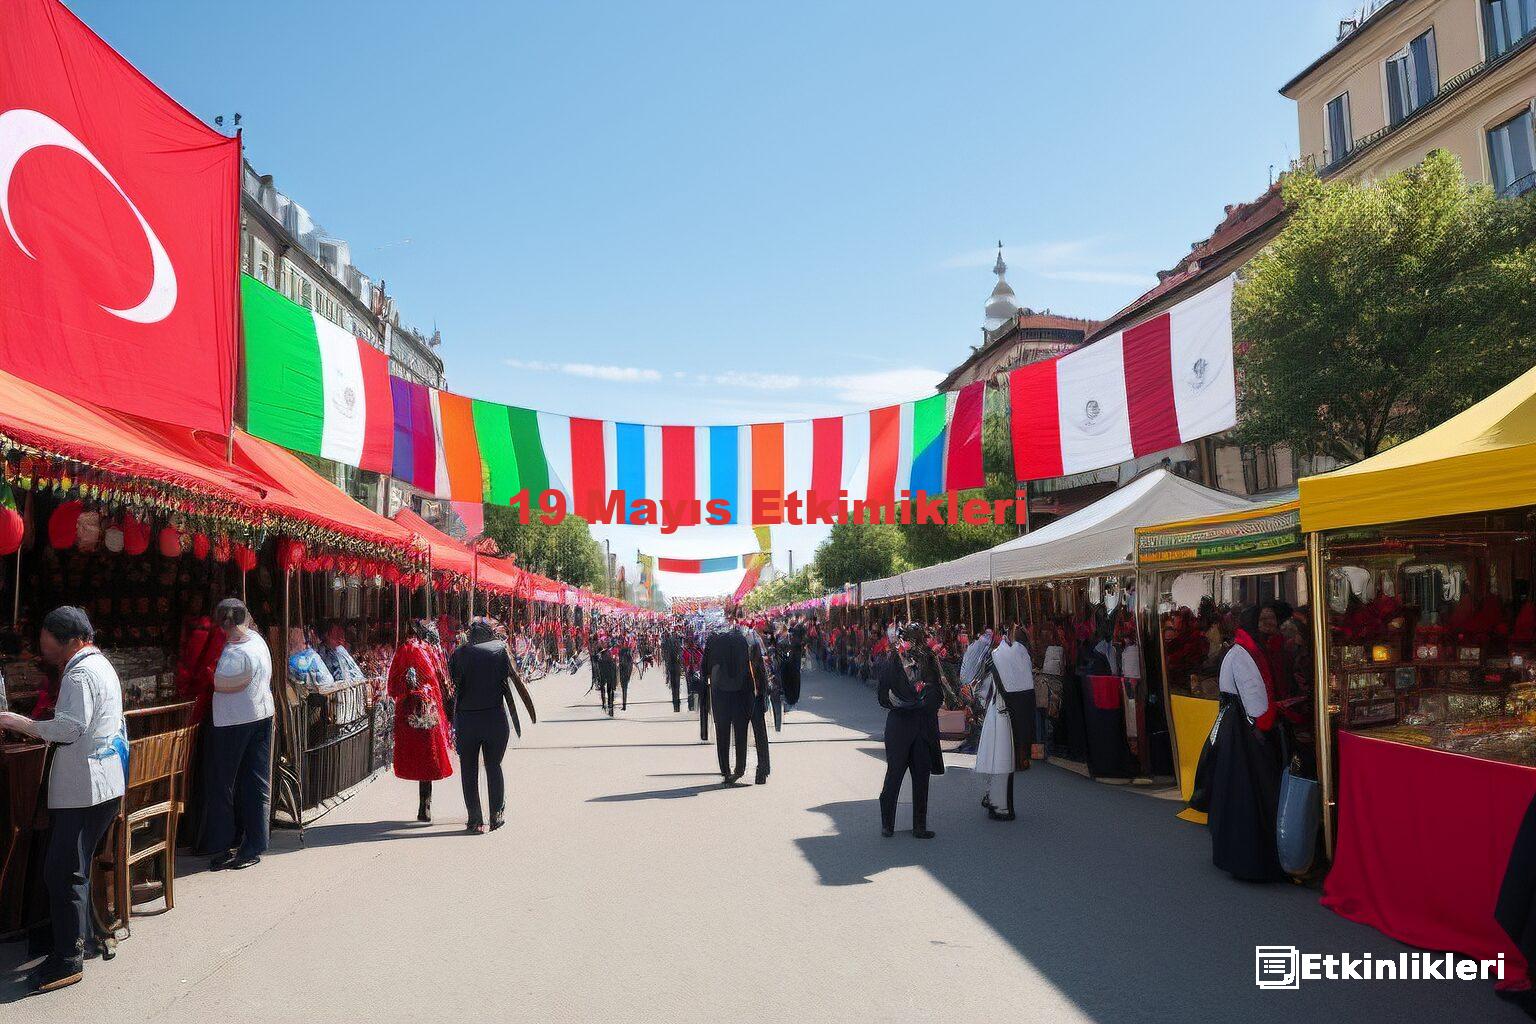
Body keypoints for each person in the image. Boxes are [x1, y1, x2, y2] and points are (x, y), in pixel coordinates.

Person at [0, 607, 126, 994]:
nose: (41, 646)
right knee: (71, 867)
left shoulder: (80, 672)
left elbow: (70, 729)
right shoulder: (99, 664)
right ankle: (77, 939)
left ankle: (67, 959)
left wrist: (21, 723)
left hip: (85, 788)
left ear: (67, 639)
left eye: (45, 638)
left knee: (63, 871)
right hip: (100, 783)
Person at [1206, 604, 1286, 882]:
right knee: (1252, 793)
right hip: (1246, 734)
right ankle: (1254, 859)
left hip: (1234, 729)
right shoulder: (1245, 655)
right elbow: (1256, 703)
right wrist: (1267, 727)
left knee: (1234, 791)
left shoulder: (1238, 651)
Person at [200, 598, 274, 872]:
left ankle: (222, 844)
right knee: (254, 781)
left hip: (234, 722)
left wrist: (207, 671)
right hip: (261, 713)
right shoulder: (257, 640)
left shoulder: (235, 654)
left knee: (222, 785)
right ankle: (253, 843)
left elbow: (221, 683)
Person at [448, 620, 535, 832]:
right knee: (493, 766)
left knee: (469, 770)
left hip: (467, 719)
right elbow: (515, 680)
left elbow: (453, 682)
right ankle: (496, 815)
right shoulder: (500, 651)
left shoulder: (459, 654)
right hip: (495, 718)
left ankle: (475, 819)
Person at [877, 624, 944, 838]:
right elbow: (883, 696)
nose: (915, 642)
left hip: (923, 727)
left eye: (918, 637)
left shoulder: (930, 660)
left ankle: (920, 825)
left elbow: (938, 693)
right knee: (894, 775)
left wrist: (924, 700)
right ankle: (887, 823)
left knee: (922, 777)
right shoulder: (893, 661)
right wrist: (903, 702)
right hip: (900, 726)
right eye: (911, 637)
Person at [388, 621, 454, 822]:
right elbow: (442, 681)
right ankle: (425, 804)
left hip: (410, 710)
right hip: (429, 708)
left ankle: (424, 805)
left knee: (418, 755)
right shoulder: (429, 651)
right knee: (428, 756)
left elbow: (393, 685)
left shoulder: (406, 651)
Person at [978, 626, 1035, 821]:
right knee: (1003, 760)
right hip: (1009, 716)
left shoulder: (997, 657)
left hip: (998, 712)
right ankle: (997, 803)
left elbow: (983, 689)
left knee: (999, 759)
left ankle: (996, 802)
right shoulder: (1022, 657)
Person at [702, 611, 755, 784]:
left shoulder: (712, 640)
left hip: (720, 694)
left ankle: (725, 770)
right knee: (740, 732)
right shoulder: (742, 639)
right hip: (741, 692)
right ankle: (740, 769)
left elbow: (704, 668)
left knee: (722, 733)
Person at [662, 628, 683, 713]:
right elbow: (680, 654)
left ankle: (675, 704)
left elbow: (665, 654)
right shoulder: (677, 642)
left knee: (673, 685)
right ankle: (677, 705)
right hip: (676, 666)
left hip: (671, 665)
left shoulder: (666, 642)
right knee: (676, 685)